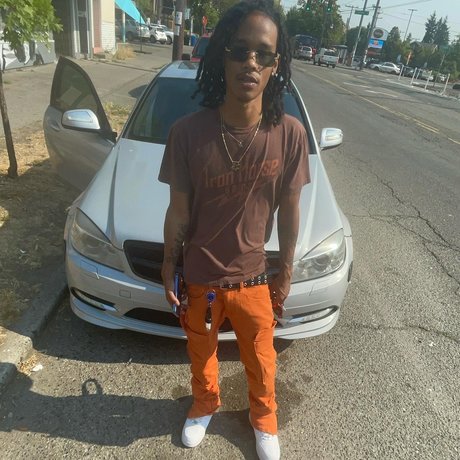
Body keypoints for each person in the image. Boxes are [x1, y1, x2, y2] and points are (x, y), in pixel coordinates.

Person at [159, 1, 310, 459]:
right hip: (201, 279)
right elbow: (178, 211)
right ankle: (205, 403)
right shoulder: (187, 133)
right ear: (222, 56)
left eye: (263, 54)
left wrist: (286, 271)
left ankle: (264, 418)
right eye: (240, 51)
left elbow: (290, 211)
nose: (251, 62)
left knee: (262, 360)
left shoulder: (290, 134)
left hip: (254, 279)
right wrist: (167, 264)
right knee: (201, 353)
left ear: (276, 64)